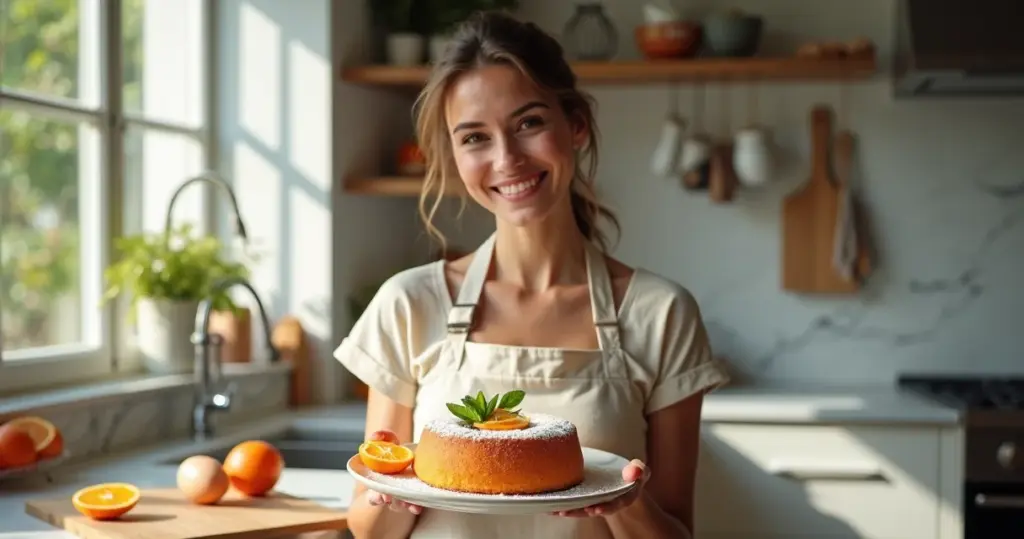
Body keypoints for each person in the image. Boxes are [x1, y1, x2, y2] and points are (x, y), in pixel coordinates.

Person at [335, 10, 730, 539]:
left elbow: (677, 532)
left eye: (529, 123)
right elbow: (369, 529)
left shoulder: (660, 314)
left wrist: (620, 501)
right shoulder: (409, 303)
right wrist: (394, 489)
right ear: (453, 155)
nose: (507, 159)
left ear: (576, 125)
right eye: (475, 137)